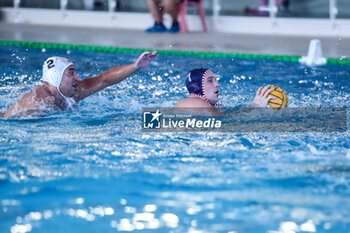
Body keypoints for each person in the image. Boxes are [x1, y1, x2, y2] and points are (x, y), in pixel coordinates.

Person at [2, 51, 157, 118]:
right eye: (71, 73)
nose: (77, 77)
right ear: (55, 76)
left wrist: (136, 66)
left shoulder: (73, 91)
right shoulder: (40, 102)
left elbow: (103, 79)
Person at [174, 68, 276, 115]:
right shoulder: (194, 103)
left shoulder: (206, 106)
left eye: (216, 80)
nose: (217, 84)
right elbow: (226, 122)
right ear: (197, 87)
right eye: (210, 81)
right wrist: (255, 109)